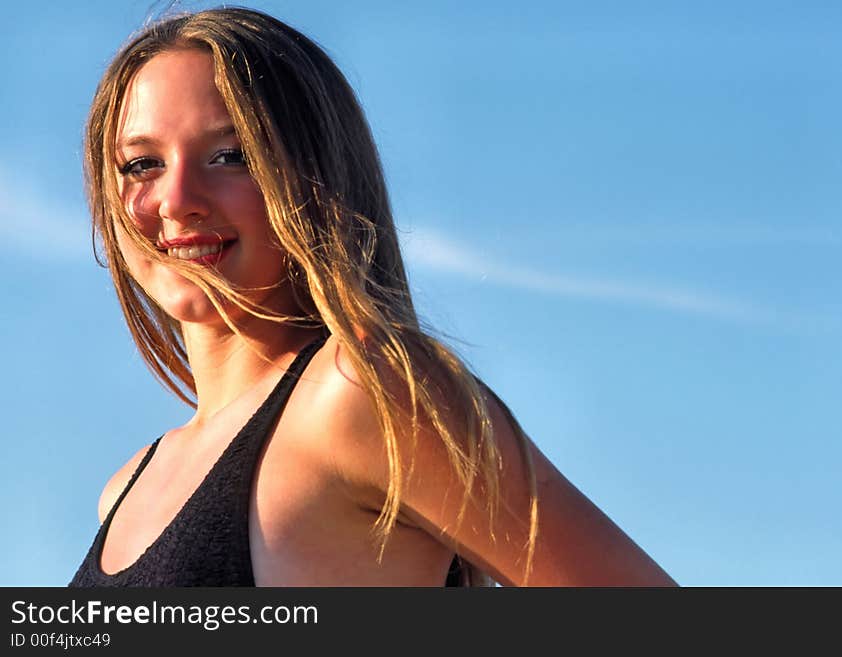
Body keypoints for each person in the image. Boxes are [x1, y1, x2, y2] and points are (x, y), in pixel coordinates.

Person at [69, 6, 676, 587]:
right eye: (140, 164)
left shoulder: (363, 392)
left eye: (232, 156)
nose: (176, 200)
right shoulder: (124, 490)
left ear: (315, 179)